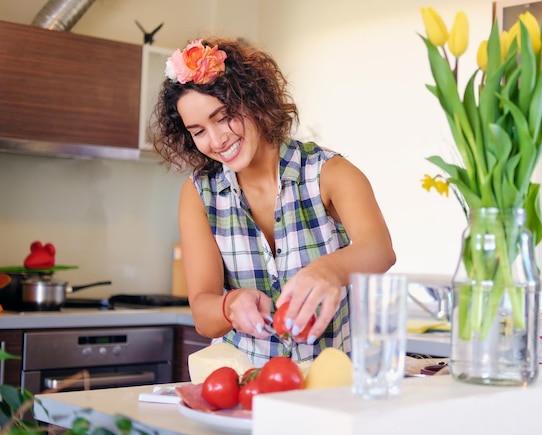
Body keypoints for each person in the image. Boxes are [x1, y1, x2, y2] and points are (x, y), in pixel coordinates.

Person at [153, 37, 396, 367]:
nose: (216, 139)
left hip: (331, 386)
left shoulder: (329, 172)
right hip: (245, 390)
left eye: (224, 116)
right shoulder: (199, 194)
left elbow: (379, 249)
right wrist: (231, 305)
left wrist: (328, 270)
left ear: (254, 100)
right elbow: (203, 313)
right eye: (198, 131)